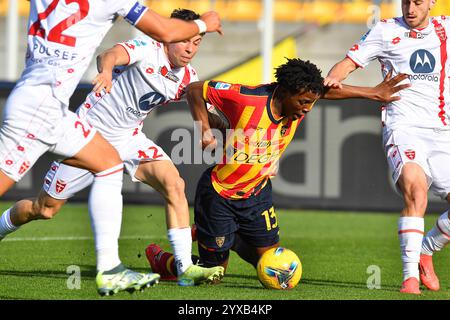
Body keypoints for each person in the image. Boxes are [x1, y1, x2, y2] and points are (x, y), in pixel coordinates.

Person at [0, 0, 222, 295]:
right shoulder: (147, 48)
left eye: (196, 43)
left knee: (174, 183)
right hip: (87, 131)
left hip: (129, 139)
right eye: (184, 41)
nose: (190, 49)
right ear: (168, 41)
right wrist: (105, 71)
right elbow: (111, 53)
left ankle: (183, 268)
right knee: (44, 209)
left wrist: (208, 126)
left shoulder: (187, 76)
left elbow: (196, 100)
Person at [146, 58, 410, 282]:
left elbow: (326, 92)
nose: (307, 109)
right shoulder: (245, 98)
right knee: (212, 274)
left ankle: (227, 236)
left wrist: (373, 93)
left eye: (311, 102)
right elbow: (195, 89)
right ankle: (162, 259)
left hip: (257, 193)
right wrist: (203, 129)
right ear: (285, 92)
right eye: (303, 102)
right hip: (219, 194)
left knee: (269, 262)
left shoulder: (301, 100)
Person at [324, 0, 450, 294]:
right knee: (416, 191)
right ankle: (410, 280)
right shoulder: (385, 30)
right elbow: (348, 63)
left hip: (443, 131)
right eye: (406, 1)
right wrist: (334, 77)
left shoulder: (446, 28)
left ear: (431, 2)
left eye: (418, 2)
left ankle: (426, 250)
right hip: (403, 126)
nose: (410, 8)